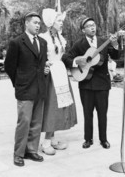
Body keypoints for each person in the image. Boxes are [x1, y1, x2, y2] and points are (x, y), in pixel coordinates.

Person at [62, 17, 122, 149]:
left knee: (102, 113)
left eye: (93, 25)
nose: (92, 27)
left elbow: (117, 56)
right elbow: (65, 57)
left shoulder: (103, 42)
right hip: (85, 84)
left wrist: (115, 44)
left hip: (102, 84)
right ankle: (88, 139)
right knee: (87, 113)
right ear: (83, 30)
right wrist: (77, 61)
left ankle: (103, 139)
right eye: (88, 26)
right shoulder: (79, 44)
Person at [4, 12, 49, 167]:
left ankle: (31, 150)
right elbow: (9, 65)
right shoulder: (17, 42)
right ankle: (18, 153)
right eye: (35, 23)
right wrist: (18, 83)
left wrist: (45, 70)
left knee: (36, 122)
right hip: (25, 88)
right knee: (24, 121)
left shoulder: (43, 42)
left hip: (40, 87)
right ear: (27, 24)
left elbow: (42, 64)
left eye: (39, 23)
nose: (38, 25)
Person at [39, 8, 77, 155]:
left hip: (60, 73)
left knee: (59, 106)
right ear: (50, 22)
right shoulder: (43, 38)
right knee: (52, 107)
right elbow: (39, 58)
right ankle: (46, 142)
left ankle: (52, 138)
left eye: (62, 20)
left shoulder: (60, 38)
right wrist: (44, 67)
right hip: (50, 75)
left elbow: (62, 56)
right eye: (59, 20)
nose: (61, 23)